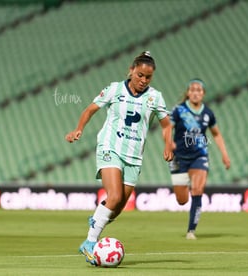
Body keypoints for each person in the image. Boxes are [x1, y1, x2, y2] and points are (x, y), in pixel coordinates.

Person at [65, 51, 173, 265]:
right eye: (140, 75)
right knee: (113, 196)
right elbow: (90, 109)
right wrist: (79, 129)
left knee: (118, 206)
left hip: (134, 156)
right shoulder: (114, 89)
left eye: (148, 77)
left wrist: (168, 144)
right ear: (131, 70)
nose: (143, 80)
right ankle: (89, 243)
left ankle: (98, 218)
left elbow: (167, 124)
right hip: (110, 147)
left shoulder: (155, 97)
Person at [169, 78, 230, 240]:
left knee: (197, 191)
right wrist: (168, 144)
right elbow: (168, 128)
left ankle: (191, 231)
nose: (196, 93)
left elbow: (216, 134)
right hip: (179, 158)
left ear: (203, 94)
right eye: (193, 90)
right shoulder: (178, 110)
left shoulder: (208, 113)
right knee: (182, 200)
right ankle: (184, 191)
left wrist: (224, 154)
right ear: (188, 93)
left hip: (199, 156)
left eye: (199, 90)